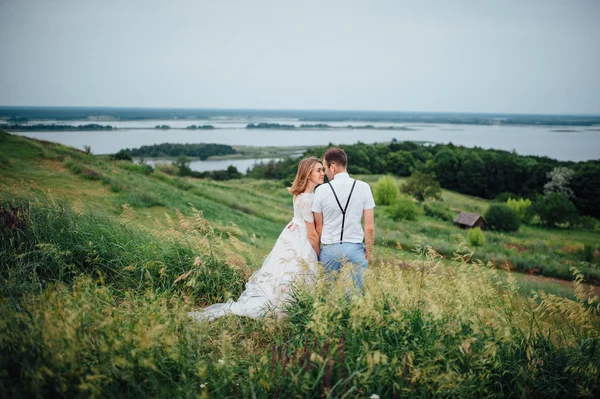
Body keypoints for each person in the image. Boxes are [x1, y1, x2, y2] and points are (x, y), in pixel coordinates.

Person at [188, 157, 325, 322]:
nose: (322, 173)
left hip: (292, 235)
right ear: (308, 173)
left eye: (322, 170)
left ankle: (293, 305)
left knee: (287, 272)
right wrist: (319, 255)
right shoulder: (306, 199)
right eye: (318, 170)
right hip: (302, 240)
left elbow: (298, 220)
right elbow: (311, 233)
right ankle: (290, 308)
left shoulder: (302, 194)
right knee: (298, 271)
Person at [312, 147, 375, 290]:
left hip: (329, 250)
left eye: (325, 168)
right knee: (354, 297)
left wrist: (322, 250)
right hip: (355, 249)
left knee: (328, 298)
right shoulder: (364, 187)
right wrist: (368, 253)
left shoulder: (321, 190)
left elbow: (319, 227)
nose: (325, 172)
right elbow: (369, 227)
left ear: (332, 167)